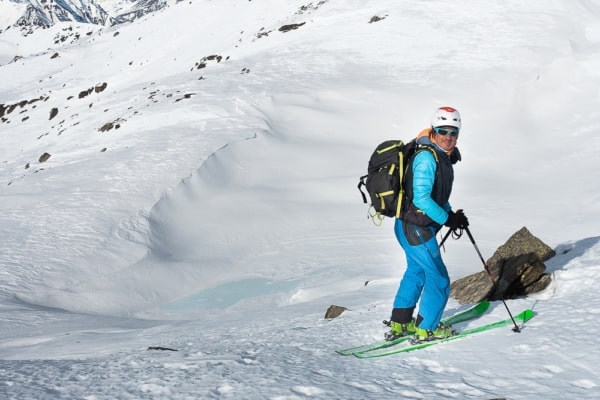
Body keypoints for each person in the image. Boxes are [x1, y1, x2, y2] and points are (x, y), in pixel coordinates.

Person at [385, 106, 469, 342]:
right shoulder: (426, 158)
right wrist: (448, 218)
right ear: (434, 130)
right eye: (443, 131)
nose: (448, 137)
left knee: (417, 271)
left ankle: (400, 323)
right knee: (438, 278)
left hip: (411, 226)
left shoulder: (439, 155)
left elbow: (435, 195)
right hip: (416, 229)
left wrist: (452, 215)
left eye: (454, 132)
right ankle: (427, 328)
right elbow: (421, 198)